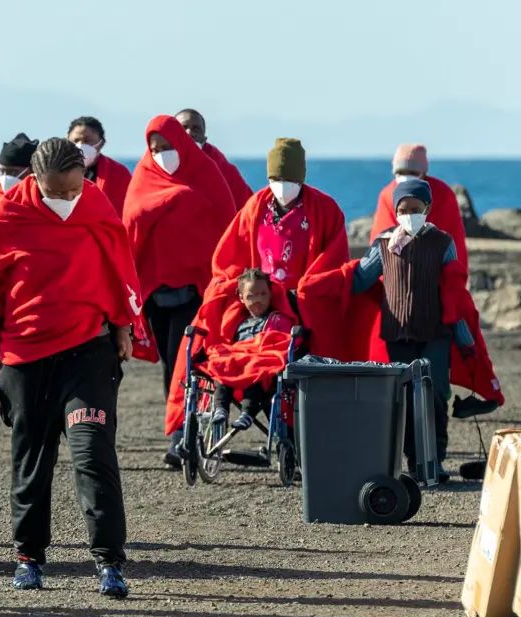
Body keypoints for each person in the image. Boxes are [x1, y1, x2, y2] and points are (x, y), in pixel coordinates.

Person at [0, 138, 148, 599]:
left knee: (93, 455)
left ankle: (110, 562)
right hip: (26, 359)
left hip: (88, 352)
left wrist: (124, 324)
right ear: (35, 180)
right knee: (33, 459)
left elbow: (118, 261)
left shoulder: (94, 204)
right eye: (56, 193)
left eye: (74, 190)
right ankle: (28, 556)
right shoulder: (7, 214)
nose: (67, 201)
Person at [165, 138, 350, 441]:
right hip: (256, 300)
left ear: (301, 176)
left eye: (288, 178)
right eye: (275, 178)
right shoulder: (256, 205)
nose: (281, 185)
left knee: (285, 350)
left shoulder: (325, 209)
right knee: (216, 338)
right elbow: (229, 256)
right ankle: (205, 416)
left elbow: (332, 261)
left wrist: (303, 291)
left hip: (296, 305)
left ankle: (282, 420)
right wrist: (238, 286)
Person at [122, 115, 235, 464]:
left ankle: (183, 438)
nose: (161, 155)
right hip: (155, 292)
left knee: (186, 363)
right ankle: (181, 433)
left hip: (196, 289)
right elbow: (130, 227)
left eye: (168, 148)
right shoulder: (143, 176)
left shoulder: (206, 173)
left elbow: (227, 226)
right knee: (171, 364)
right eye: (155, 149)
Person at [352, 179, 475, 480]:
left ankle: (435, 460)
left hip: (435, 333)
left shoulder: (443, 243)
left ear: (427, 209)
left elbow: (453, 292)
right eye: (403, 209)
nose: (409, 214)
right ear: (395, 211)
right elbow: (359, 280)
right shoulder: (383, 244)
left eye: (415, 209)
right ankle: (413, 461)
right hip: (398, 334)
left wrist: (463, 337)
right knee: (404, 397)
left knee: (435, 394)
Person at [209, 269, 296, 431]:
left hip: (261, 360)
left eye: (263, 294)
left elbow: (281, 342)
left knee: (256, 369)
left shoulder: (278, 319)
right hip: (238, 358)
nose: (258, 300)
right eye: (251, 296)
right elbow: (228, 344)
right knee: (221, 366)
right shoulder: (237, 321)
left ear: (270, 294)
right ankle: (221, 408)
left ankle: (247, 412)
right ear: (241, 298)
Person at [368, 144, 468, 271]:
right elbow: (379, 243)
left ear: (423, 172)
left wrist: (455, 281)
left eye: (412, 172)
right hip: (397, 273)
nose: (406, 176)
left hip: (436, 273)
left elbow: (455, 240)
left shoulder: (443, 194)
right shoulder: (387, 195)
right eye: (401, 172)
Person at [176, 108, 254, 207]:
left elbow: (247, 206)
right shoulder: (158, 162)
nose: (189, 133)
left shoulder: (220, 165)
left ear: (204, 138)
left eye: (196, 129)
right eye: (183, 128)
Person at [66, 116, 132, 216]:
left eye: (87, 141)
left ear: (101, 143)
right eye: (76, 140)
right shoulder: (56, 171)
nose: (80, 145)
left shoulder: (118, 173)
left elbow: (126, 212)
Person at [0, 133, 39, 213]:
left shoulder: (40, 197)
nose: (5, 177)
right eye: (2, 171)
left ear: (30, 171)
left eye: (13, 172)